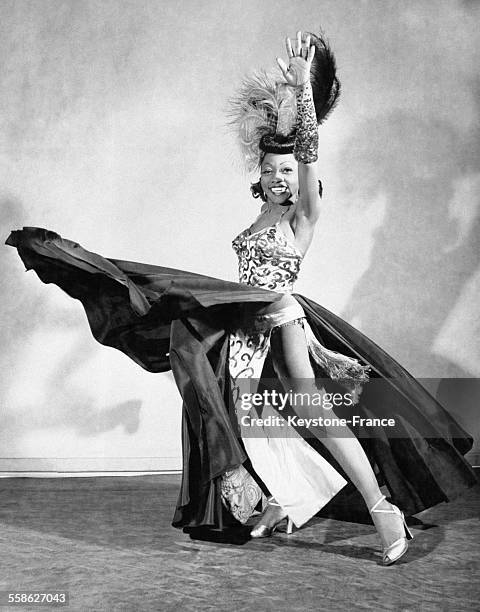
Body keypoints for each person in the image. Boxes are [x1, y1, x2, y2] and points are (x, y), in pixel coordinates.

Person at [6, 31, 476, 566]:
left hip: (281, 323)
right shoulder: (260, 218)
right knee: (254, 420)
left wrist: (303, 96)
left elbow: (305, 157)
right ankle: (283, 499)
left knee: (314, 412)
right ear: (259, 176)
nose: (280, 178)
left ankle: (382, 508)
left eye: (288, 173)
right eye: (270, 171)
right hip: (244, 329)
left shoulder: (303, 216)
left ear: (299, 181)